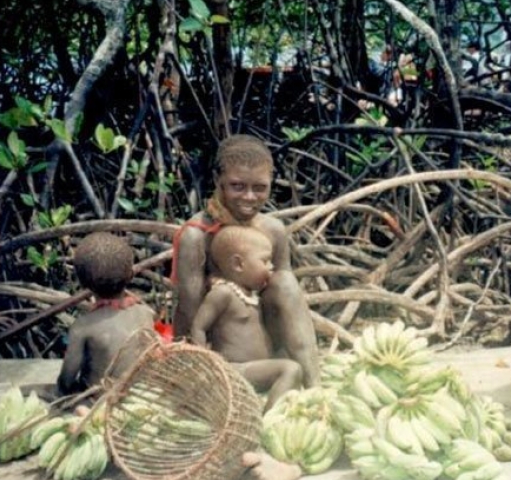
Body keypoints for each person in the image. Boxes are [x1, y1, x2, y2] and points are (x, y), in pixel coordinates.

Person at [172, 134, 320, 390]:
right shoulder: (197, 236)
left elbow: (288, 301)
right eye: (237, 186)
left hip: (266, 349)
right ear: (218, 180)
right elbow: (190, 316)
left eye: (260, 187)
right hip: (222, 353)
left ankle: (314, 386)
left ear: (272, 182)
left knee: (284, 281)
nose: (249, 197)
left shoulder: (273, 230)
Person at [190, 225, 303, 411]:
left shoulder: (252, 294)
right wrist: (206, 366)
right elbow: (199, 327)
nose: (271, 266)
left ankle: (271, 411)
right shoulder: (223, 294)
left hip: (253, 369)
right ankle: (267, 420)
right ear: (238, 264)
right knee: (291, 369)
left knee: (288, 363)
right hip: (236, 369)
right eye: (265, 261)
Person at [56, 232, 158, 397]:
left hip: (100, 403)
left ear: (82, 283)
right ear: (131, 275)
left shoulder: (83, 326)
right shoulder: (146, 314)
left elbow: (67, 380)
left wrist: (62, 391)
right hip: (140, 397)